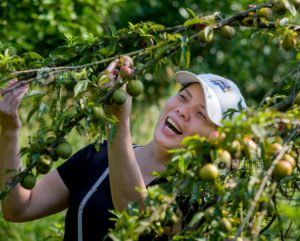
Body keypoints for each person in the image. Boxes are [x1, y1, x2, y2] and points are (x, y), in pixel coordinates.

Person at [0, 56, 246, 241]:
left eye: (201, 114)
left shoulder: (200, 195)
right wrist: (10, 130)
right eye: (183, 98)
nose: (182, 110)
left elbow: (135, 213)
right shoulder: (99, 153)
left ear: (217, 138)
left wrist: (117, 120)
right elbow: (19, 208)